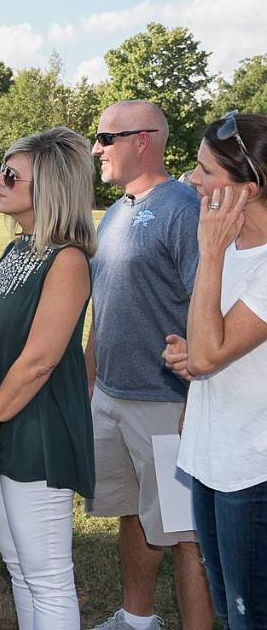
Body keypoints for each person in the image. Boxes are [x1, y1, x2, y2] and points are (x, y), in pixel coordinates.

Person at [0, 127, 96, 629]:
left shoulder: (68, 261)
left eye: (11, 174)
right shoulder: (16, 250)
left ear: (50, 187)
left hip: (37, 432)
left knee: (48, 577)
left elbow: (40, 360)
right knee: (19, 569)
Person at [85, 100, 213, 630]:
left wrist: (197, 397)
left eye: (105, 138)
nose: (97, 148)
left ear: (144, 140)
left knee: (186, 537)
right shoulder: (116, 210)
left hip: (167, 404)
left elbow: (210, 303)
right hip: (112, 398)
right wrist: (89, 380)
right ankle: (137, 620)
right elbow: (103, 307)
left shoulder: (183, 208)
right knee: (132, 513)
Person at [162, 112, 267, 629]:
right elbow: (208, 348)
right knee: (228, 610)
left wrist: (209, 252)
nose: (192, 181)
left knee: (251, 618)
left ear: (247, 189)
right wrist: (192, 353)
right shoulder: (236, 251)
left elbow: (210, 354)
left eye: (205, 171)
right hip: (211, 457)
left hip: (253, 469)